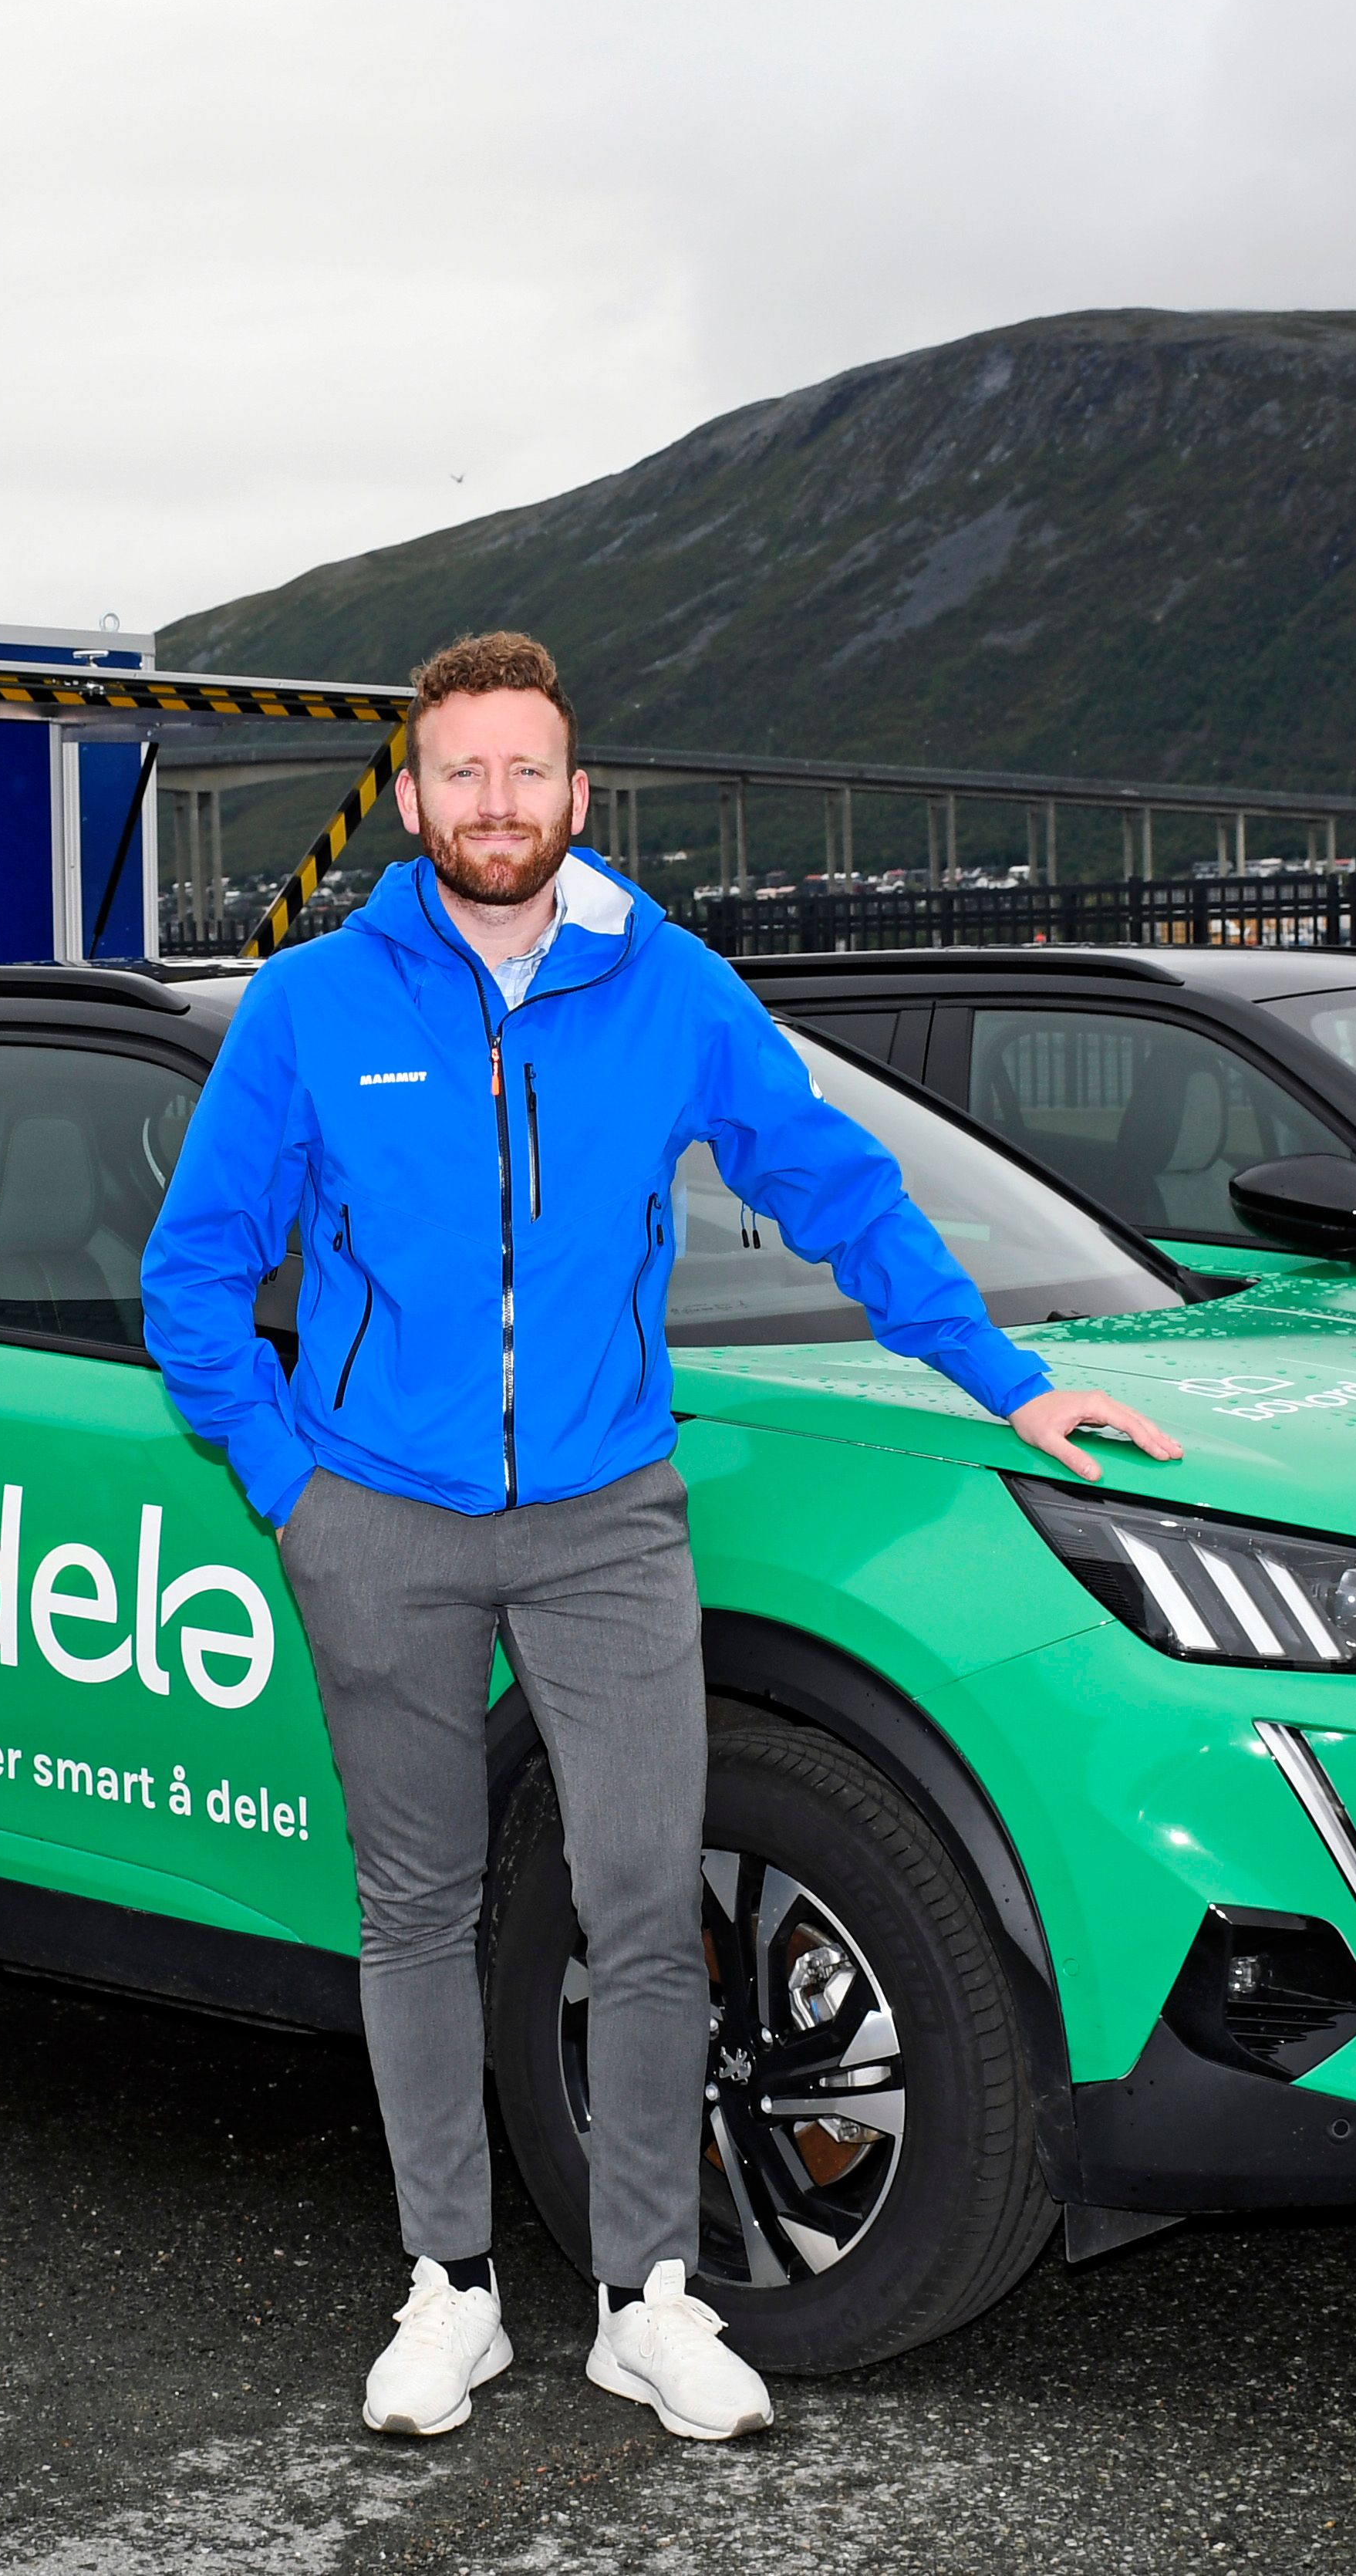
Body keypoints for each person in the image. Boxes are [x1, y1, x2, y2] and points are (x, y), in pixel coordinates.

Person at [143, 631, 1179, 2443]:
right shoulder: (311, 1005)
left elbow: (839, 1188)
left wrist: (1009, 1382)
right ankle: (449, 2288)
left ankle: (646, 2301)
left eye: (523, 771)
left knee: (638, 1904)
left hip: (606, 1517)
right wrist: (293, 1487)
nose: (493, 803)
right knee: (415, 1912)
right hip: (377, 1514)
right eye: (459, 772)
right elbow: (195, 1274)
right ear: (410, 800)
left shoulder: (670, 987)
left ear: (575, 792)